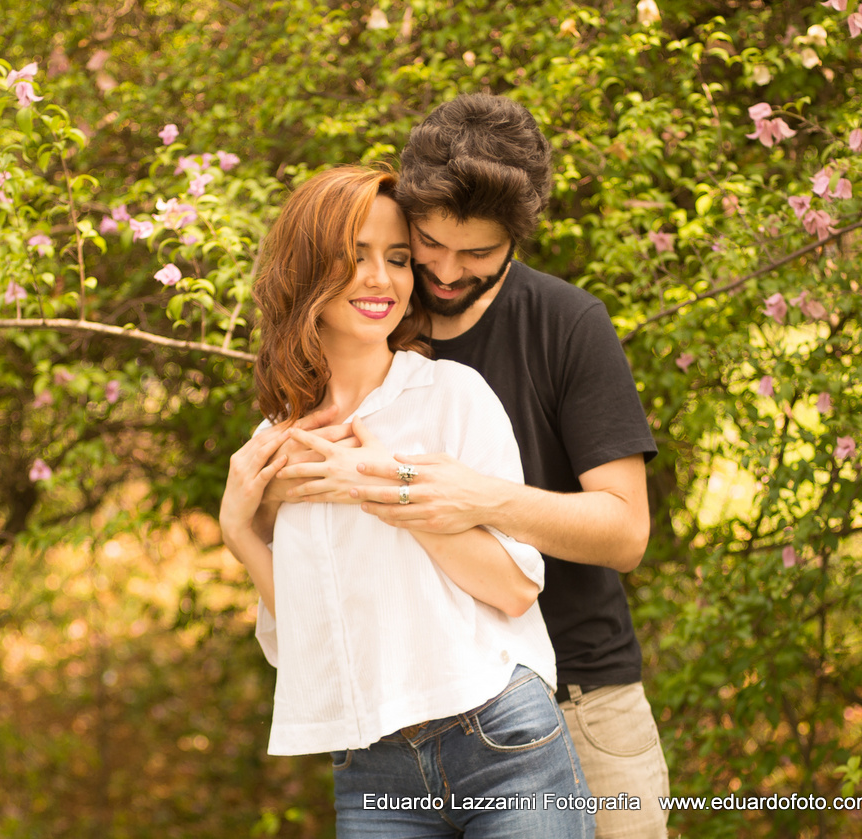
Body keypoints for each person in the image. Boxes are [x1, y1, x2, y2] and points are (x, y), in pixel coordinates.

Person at [257, 94, 672, 839]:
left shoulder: (567, 324)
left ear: (515, 238)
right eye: (427, 245)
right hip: (409, 716)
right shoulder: (369, 326)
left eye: (476, 254)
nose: (445, 271)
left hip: (579, 697)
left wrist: (470, 496)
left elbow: (624, 530)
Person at [219, 165, 594, 838]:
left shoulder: (453, 395)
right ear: (308, 269)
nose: (381, 279)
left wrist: (381, 487)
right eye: (354, 256)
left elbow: (513, 588)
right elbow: (308, 642)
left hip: (498, 736)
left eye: (397, 259)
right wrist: (239, 532)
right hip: (372, 770)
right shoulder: (278, 442)